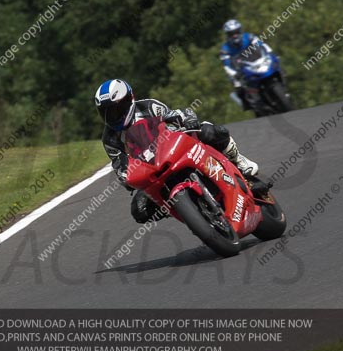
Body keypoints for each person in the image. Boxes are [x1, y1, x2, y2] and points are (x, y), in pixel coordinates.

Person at [94, 79, 272, 224]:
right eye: (106, 112)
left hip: (175, 149)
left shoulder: (148, 106)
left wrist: (187, 119)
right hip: (151, 171)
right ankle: (184, 208)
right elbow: (120, 166)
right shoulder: (109, 139)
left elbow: (175, 116)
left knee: (210, 131)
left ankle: (239, 162)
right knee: (139, 210)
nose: (112, 116)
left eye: (116, 109)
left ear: (129, 100)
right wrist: (126, 178)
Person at [218, 19, 274, 111]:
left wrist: (269, 52)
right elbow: (226, 64)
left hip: (258, 62)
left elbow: (262, 44)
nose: (234, 35)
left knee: (276, 60)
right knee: (237, 84)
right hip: (241, 70)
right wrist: (234, 74)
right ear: (228, 35)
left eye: (236, 32)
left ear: (240, 31)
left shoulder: (249, 37)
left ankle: (282, 80)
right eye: (231, 34)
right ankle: (246, 103)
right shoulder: (225, 48)